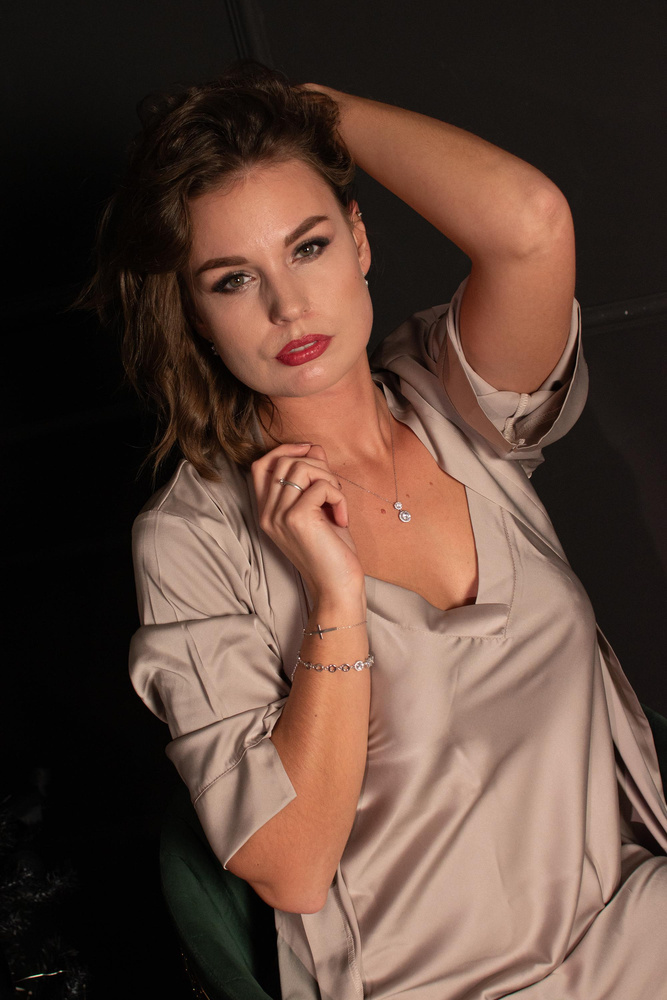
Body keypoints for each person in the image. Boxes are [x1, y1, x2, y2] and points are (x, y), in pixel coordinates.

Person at [87, 63, 667, 999]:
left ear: (358, 241)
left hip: (632, 932)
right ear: (194, 314)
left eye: (308, 247)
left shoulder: (454, 402)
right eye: (233, 280)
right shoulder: (192, 539)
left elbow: (530, 225)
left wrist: (300, 111)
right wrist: (334, 601)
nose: (286, 307)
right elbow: (291, 867)